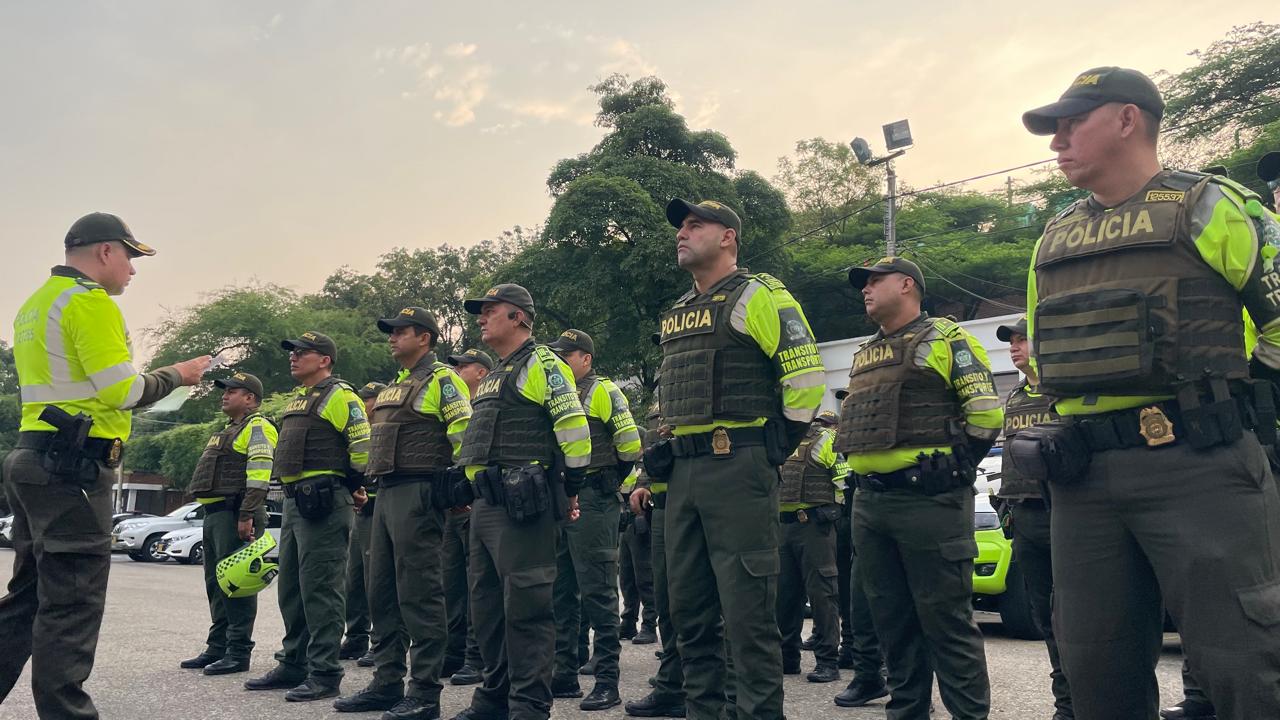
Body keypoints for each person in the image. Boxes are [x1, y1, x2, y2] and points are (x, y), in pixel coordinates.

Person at [1019, 66, 1280, 719]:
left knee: (1247, 669)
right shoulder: (1053, 238)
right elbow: (1042, 359)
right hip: (1083, 481)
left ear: (1127, 119)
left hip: (1202, 465)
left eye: (1072, 123)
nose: (1057, 141)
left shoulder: (1212, 205)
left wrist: (1252, 401)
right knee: (1096, 678)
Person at [0, 212, 210, 719]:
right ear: (106, 251)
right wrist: (178, 374)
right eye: (130, 258)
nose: (132, 271)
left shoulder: (36, 303)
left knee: (28, 598)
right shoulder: (89, 302)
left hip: (33, 458)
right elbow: (122, 390)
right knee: (72, 603)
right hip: (71, 469)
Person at [652, 198, 826, 720]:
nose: (682, 234)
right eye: (680, 227)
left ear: (728, 236)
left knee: (748, 615)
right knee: (689, 613)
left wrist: (772, 448)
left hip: (739, 466)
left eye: (694, 225)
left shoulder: (760, 294)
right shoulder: (679, 310)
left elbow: (806, 379)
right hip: (683, 472)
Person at [835, 256, 1001, 720]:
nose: (866, 289)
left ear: (907, 285)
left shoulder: (947, 339)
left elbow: (986, 414)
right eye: (864, 283)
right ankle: (906, 711)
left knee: (946, 622)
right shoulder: (866, 353)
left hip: (928, 500)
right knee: (893, 622)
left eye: (876, 280)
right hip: (870, 502)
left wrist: (953, 468)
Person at [450, 284, 591, 720]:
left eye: (491, 310)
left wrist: (570, 488)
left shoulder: (543, 363)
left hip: (522, 506)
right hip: (487, 505)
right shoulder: (495, 373)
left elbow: (574, 430)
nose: (481, 318)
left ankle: (529, 705)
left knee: (527, 609)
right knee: (486, 610)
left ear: (519, 317)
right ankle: (495, 698)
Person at [335, 307, 472, 719]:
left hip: (420, 493)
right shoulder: (398, 384)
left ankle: (425, 692)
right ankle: (387, 682)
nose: (392, 338)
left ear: (424, 337)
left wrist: (462, 488)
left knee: (420, 593)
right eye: (391, 332)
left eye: (400, 332)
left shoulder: (443, 380)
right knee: (381, 593)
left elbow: (465, 435)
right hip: (387, 493)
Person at [245, 331, 370, 702]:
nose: (294, 357)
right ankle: (294, 663)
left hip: (324, 503)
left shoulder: (340, 395)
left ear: (325, 360)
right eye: (293, 352)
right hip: (295, 503)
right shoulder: (300, 398)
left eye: (303, 352)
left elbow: (363, 447)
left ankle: (325, 672)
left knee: (322, 590)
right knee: (292, 590)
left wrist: (350, 484)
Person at [547, 328, 643, 711]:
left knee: (599, 592)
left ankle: (606, 681)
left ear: (586, 359)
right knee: (561, 592)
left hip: (593, 499)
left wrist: (609, 482)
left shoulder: (602, 390)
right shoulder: (555, 394)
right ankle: (564, 672)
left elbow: (630, 445)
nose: (560, 361)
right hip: (562, 499)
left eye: (567, 355)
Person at [993, 317, 1072, 720]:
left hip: (1063, 511)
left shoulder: (1063, 388)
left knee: (1075, 614)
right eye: (1011, 341)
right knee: (1045, 617)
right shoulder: (1015, 395)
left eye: (1022, 339)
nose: (1014, 346)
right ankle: (1066, 705)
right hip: (1023, 515)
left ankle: (1088, 699)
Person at [181, 371, 275, 676]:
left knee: (237, 585)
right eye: (225, 390)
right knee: (216, 584)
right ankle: (217, 646)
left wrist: (247, 514)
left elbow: (259, 474)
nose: (225, 395)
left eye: (232, 391)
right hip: (215, 515)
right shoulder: (228, 430)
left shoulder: (258, 427)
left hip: (236, 514)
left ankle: (238, 652)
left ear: (250, 398)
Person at [623, 403, 690, 719]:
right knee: (666, 599)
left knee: (694, 601)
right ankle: (673, 684)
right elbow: (657, 453)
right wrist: (643, 485)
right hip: (662, 508)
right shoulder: (668, 402)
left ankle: (709, 686)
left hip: (693, 500)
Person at [776, 409, 848, 684]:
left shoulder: (825, 439)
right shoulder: (779, 439)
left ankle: (827, 661)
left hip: (814, 527)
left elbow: (844, 481)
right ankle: (787, 657)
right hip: (783, 526)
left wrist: (832, 514)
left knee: (822, 594)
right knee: (784, 595)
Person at [441, 349, 494, 687]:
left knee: (478, 584)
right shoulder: (456, 406)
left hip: (476, 504)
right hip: (452, 507)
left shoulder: (486, 407)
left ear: (481, 372)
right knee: (451, 584)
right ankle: (454, 651)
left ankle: (476, 656)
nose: (457, 370)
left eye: (463, 366)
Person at [340, 381, 385, 667]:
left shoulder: (385, 430)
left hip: (379, 509)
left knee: (377, 580)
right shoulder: (359, 432)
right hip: (361, 513)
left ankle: (381, 641)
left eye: (368, 399)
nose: (364, 404)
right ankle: (356, 637)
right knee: (354, 578)